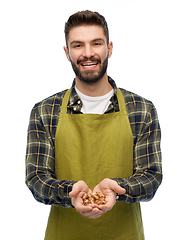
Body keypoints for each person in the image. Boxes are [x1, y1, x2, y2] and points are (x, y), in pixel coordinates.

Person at [25, 10, 162, 240]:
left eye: (96, 43)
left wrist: (116, 188)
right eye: (78, 45)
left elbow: (151, 177)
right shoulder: (45, 111)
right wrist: (69, 191)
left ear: (109, 48)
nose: (88, 53)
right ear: (67, 53)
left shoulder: (142, 109)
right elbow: (36, 178)